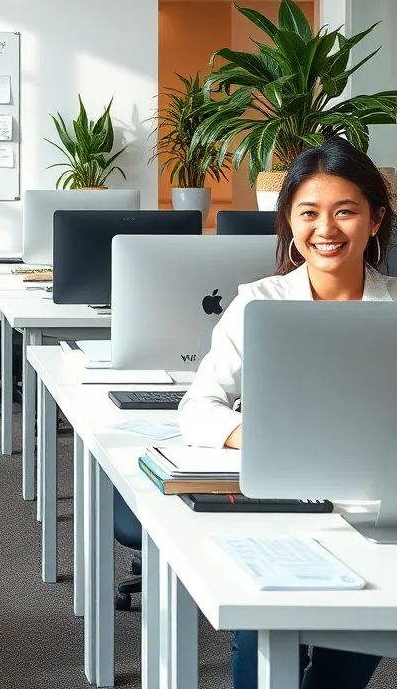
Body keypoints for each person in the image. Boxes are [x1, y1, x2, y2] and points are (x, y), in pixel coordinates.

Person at [179, 137, 394, 689]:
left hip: (378, 507)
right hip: (282, 504)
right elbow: (198, 408)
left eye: (346, 211)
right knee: (262, 628)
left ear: (375, 221)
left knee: (355, 640)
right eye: (310, 213)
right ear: (289, 223)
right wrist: (265, 436)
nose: (327, 229)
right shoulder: (259, 303)